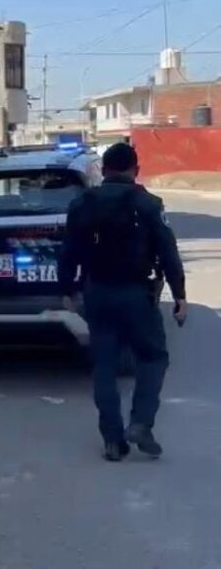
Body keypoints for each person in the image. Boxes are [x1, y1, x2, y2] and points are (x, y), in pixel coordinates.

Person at [58, 143, 186, 462]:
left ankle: (113, 441)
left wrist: (68, 289)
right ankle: (141, 422)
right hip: (136, 294)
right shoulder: (148, 203)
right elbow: (168, 252)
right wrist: (180, 294)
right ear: (136, 170)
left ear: (103, 171)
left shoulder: (81, 204)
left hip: (96, 292)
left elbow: (68, 251)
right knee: (153, 356)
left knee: (104, 364)